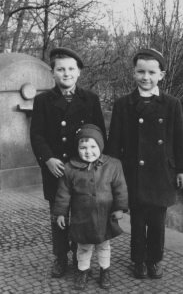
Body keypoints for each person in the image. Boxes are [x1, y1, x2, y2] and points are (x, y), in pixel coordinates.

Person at [108, 48, 183, 279]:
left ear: (161, 75)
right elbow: (114, 144)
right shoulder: (123, 104)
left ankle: (154, 260)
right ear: (134, 73)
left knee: (157, 222)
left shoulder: (171, 103)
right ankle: (139, 261)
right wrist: (112, 174)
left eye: (151, 72)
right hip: (133, 172)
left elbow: (179, 139)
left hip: (162, 173)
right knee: (137, 220)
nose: (146, 77)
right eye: (140, 71)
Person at [30, 47, 107, 278]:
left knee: (83, 213)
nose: (66, 73)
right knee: (58, 215)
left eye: (71, 69)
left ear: (79, 72)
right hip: (56, 169)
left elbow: (100, 133)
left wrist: (96, 164)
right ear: (52, 73)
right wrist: (48, 159)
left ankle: (80, 256)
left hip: (82, 169)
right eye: (60, 69)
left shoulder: (90, 99)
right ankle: (61, 257)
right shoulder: (43, 100)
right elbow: (37, 135)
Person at [53, 124, 128, 290]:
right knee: (83, 246)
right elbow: (63, 194)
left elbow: (120, 188)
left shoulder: (113, 165)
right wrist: (60, 213)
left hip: (105, 215)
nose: (88, 151)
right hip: (82, 217)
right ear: (77, 148)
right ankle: (83, 271)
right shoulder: (69, 168)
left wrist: (119, 208)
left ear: (100, 146)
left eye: (93, 146)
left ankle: (105, 270)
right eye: (83, 147)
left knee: (104, 245)